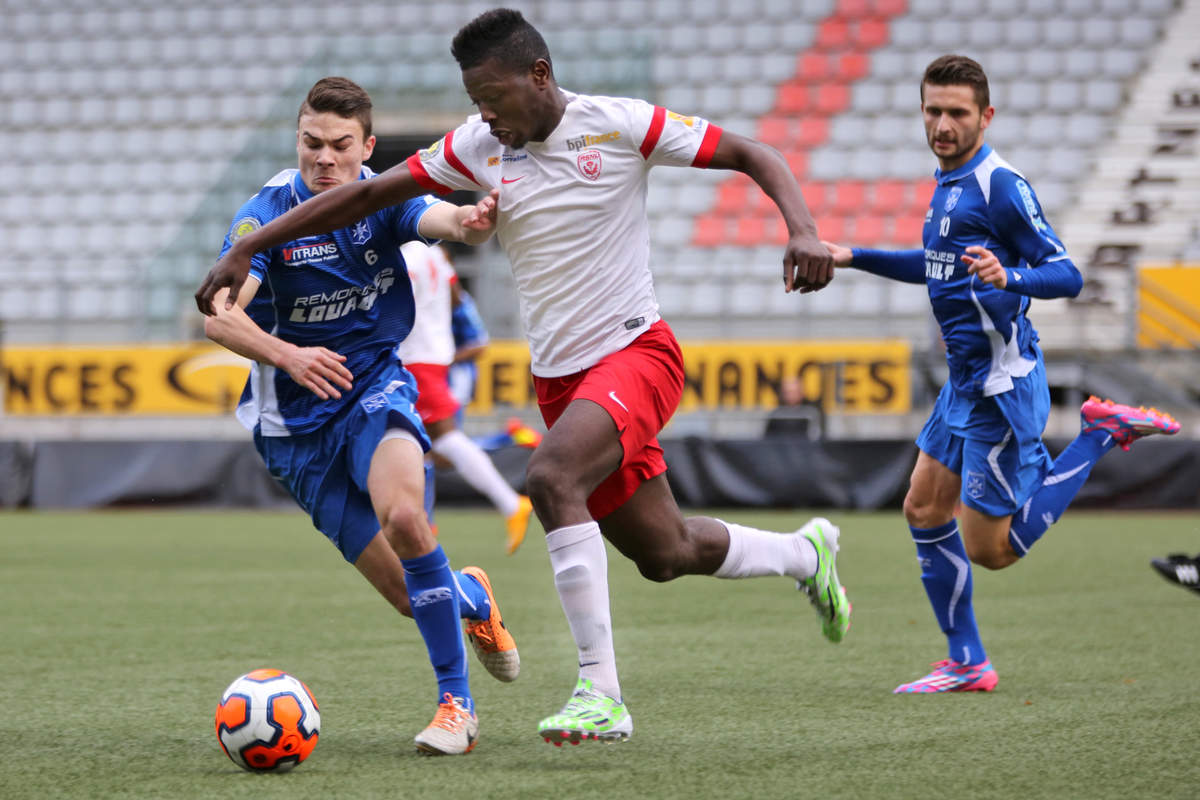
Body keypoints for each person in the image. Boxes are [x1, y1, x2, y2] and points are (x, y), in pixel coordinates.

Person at [196, 9, 847, 745]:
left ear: (538, 76)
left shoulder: (621, 123)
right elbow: (366, 196)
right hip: (563, 382)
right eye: (476, 101)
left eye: (494, 98)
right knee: (665, 553)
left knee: (551, 478)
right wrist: (252, 250)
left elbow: (756, 153)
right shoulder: (477, 145)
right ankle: (804, 552)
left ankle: (600, 693)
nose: (486, 115)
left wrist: (800, 229)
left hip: (637, 352)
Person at [821, 55, 1181, 694]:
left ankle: (1098, 432)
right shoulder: (948, 181)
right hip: (963, 382)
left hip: (999, 389)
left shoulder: (1000, 184)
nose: (942, 124)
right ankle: (967, 662)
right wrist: (853, 256)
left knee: (994, 551)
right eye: (932, 110)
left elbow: (1067, 273)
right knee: (923, 507)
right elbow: (933, 263)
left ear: (985, 116)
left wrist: (1009, 276)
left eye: (956, 112)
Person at [201, 76, 520, 755]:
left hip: (376, 387)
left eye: (340, 146)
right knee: (412, 594)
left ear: (365, 147)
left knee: (407, 520)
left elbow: (436, 218)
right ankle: (470, 596)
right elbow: (220, 317)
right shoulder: (266, 216)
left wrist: (470, 219)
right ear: (298, 141)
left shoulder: (380, 199)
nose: (324, 159)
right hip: (293, 434)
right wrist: (287, 355)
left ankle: (455, 709)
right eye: (311, 143)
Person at [398, 239, 533, 554]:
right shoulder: (435, 256)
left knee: (442, 442)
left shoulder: (404, 257)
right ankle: (423, 522)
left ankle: (510, 502)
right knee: (420, 444)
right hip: (432, 355)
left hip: (416, 357)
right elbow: (456, 298)